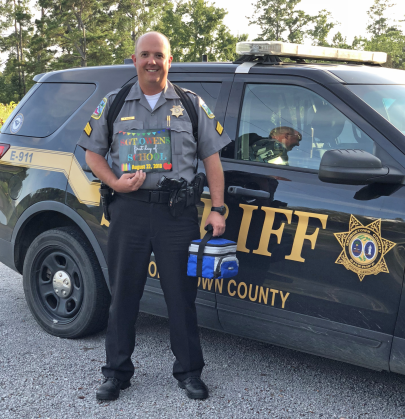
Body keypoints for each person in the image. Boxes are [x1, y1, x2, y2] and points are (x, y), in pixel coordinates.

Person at [77, 31, 231, 401]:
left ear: (169, 60)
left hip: (176, 214)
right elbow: (92, 155)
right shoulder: (113, 104)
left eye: (158, 55)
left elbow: (212, 161)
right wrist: (117, 182)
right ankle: (116, 374)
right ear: (134, 60)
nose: (151, 62)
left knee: (181, 296)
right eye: (144, 55)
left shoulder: (191, 105)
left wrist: (218, 209)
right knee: (124, 295)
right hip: (128, 211)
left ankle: (189, 373)